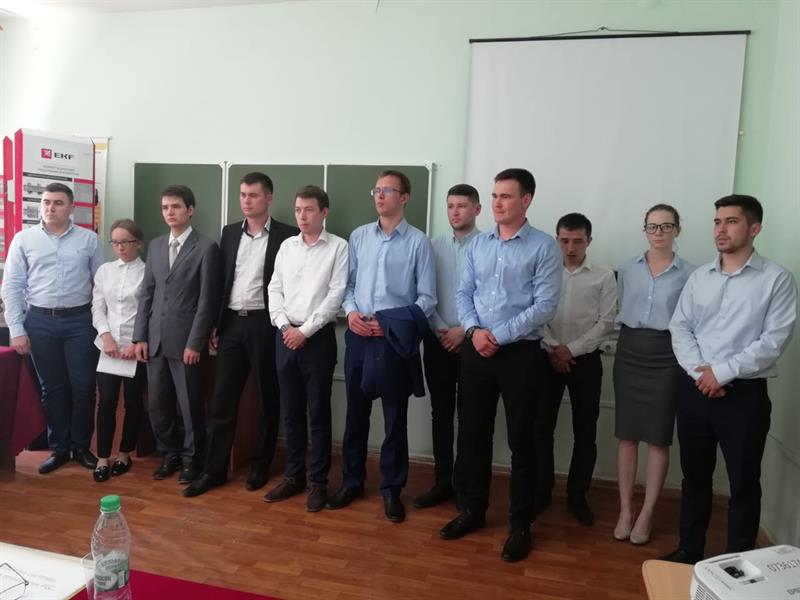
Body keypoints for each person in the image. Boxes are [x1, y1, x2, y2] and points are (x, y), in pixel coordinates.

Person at [663, 195, 797, 565]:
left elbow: (772, 341)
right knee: (694, 477)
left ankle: (737, 563)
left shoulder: (776, 280)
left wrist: (720, 373)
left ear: (754, 228)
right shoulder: (699, 278)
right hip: (695, 390)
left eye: (731, 221)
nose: (721, 229)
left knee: (743, 482)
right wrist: (701, 373)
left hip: (744, 396)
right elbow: (680, 327)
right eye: (717, 221)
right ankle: (690, 549)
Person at [439, 168, 561, 563]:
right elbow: (463, 292)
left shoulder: (544, 247)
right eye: (494, 196)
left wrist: (499, 335)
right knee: (472, 435)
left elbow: (545, 305)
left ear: (526, 200)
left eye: (505, 196)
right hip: (477, 350)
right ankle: (472, 510)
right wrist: (475, 331)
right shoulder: (479, 244)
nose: (497, 203)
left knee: (522, 442)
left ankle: (520, 524)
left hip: (520, 355)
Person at [325, 170, 436, 523]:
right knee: (355, 416)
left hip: (393, 341)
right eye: (376, 190)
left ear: (404, 197)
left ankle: (392, 490)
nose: (380, 195)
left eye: (388, 190)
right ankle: (352, 482)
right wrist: (351, 312)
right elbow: (348, 285)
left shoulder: (419, 243)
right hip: (359, 336)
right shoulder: (359, 236)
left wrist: (388, 322)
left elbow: (427, 299)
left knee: (394, 420)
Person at [183, 172, 298, 498]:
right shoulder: (230, 232)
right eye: (243, 195)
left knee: (266, 398)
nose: (246, 200)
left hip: (266, 323)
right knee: (222, 399)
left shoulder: (287, 236)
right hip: (232, 323)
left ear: (268, 198)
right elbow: (221, 282)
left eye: (253, 195)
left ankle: (261, 463)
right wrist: (215, 325)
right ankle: (214, 470)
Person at [1, 182, 104, 474]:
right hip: (40, 322)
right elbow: (12, 286)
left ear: (72, 208)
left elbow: (101, 285)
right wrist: (17, 329)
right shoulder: (24, 239)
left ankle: (80, 446)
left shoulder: (89, 240)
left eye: (58, 203)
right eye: (46, 202)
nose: (50, 208)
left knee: (83, 387)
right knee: (52, 388)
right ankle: (59, 448)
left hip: (80, 321)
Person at [263, 185, 348, 512]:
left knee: (318, 413)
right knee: (291, 412)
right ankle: (293, 476)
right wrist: (286, 327)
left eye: (309, 210)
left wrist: (305, 331)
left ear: (324, 212)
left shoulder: (338, 247)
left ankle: (318, 483)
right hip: (285, 336)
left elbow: (335, 296)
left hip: (317, 339)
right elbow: (274, 288)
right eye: (298, 210)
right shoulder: (287, 246)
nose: (302, 216)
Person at [613, 204, 694, 545]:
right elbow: (618, 308)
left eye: (666, 226)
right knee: (627, 435)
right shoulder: (626, 268)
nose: (658, 232)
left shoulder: (691, 274)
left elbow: (690, 321)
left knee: (658, 438)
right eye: (652, 226)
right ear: (644, 229)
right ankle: (625, 510)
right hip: (630, 351)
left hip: (667, 356)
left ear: (677, 230)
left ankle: (647, 512)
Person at [133, 184, 220, 486]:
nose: (169, 212)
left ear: (190, 210)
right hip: (155, 339)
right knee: (158, 405)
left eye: (176, 207)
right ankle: (169, 452)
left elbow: (207, 301)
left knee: (190, 404)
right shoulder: (156, 246)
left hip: (186, 343)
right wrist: (140, 337)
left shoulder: (206, 247)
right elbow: (147, 294)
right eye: (165, 207)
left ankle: (192, 458)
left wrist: (196, 342)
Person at [536, 213, 616, 525]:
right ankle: (542, 491)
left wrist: (570, 350)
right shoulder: (543, 271)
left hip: (585, 361)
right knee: (541, 428)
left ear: (589, 241)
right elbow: (535, 313)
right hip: (546, 357)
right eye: (564, 241)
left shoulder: (604, 276)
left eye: (578, 241)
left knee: (585, 431)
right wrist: (553, 347)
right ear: (556, 239)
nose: (570, 248)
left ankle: (577, 496)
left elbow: (605, 323)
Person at [414, 184, 481, 509]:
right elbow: (424, 292)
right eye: (451, 206)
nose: (455, 212)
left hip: (474, 341)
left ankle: (466, 487)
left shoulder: (488, 245)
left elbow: (490, 297)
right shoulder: (432, 245)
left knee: (471, 416)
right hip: (438, 338)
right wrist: (443, 329)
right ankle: (443, 482)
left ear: (477, 209)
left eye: (462, 206)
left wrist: (464, 331)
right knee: (440, 413)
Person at [91, 219, 146, 482]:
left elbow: (149, 311)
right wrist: (106, 336)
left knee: (134, 403)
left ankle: (125, 454)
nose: (120, 247)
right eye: (115, 242)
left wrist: (137, 341)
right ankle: (103, 458)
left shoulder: (148, 271)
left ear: (138, 243)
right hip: (108, 348)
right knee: (106, 403)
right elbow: (97, 307)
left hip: (137, 349)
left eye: (126, 242)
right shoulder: (105, 271)